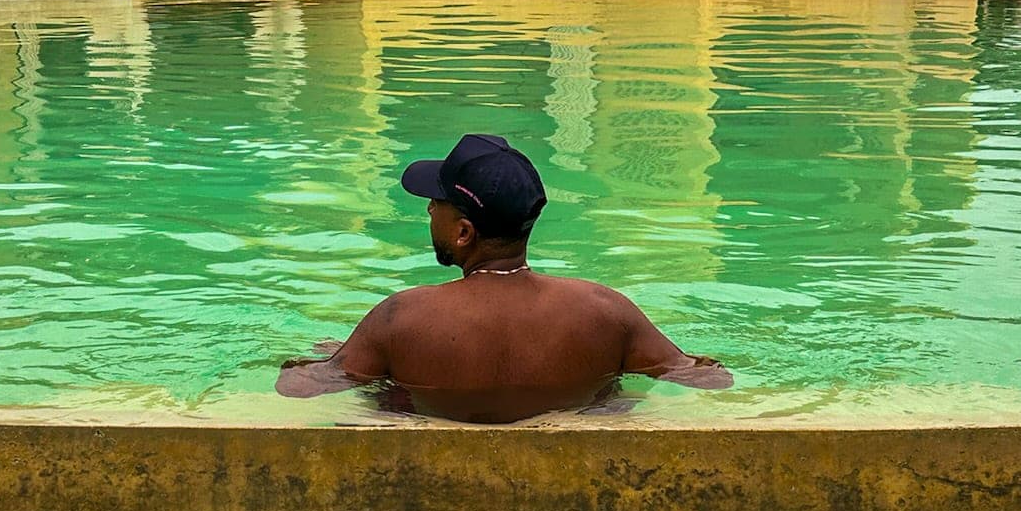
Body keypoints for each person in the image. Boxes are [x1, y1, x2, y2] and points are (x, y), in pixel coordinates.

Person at [277, 133, 733, 424]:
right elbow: (709, 380)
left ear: (463, 233)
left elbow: (300, 389)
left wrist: (340, 356)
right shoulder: (607, 311)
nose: (429, 209)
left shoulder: (400, 320)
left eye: (438, 202)